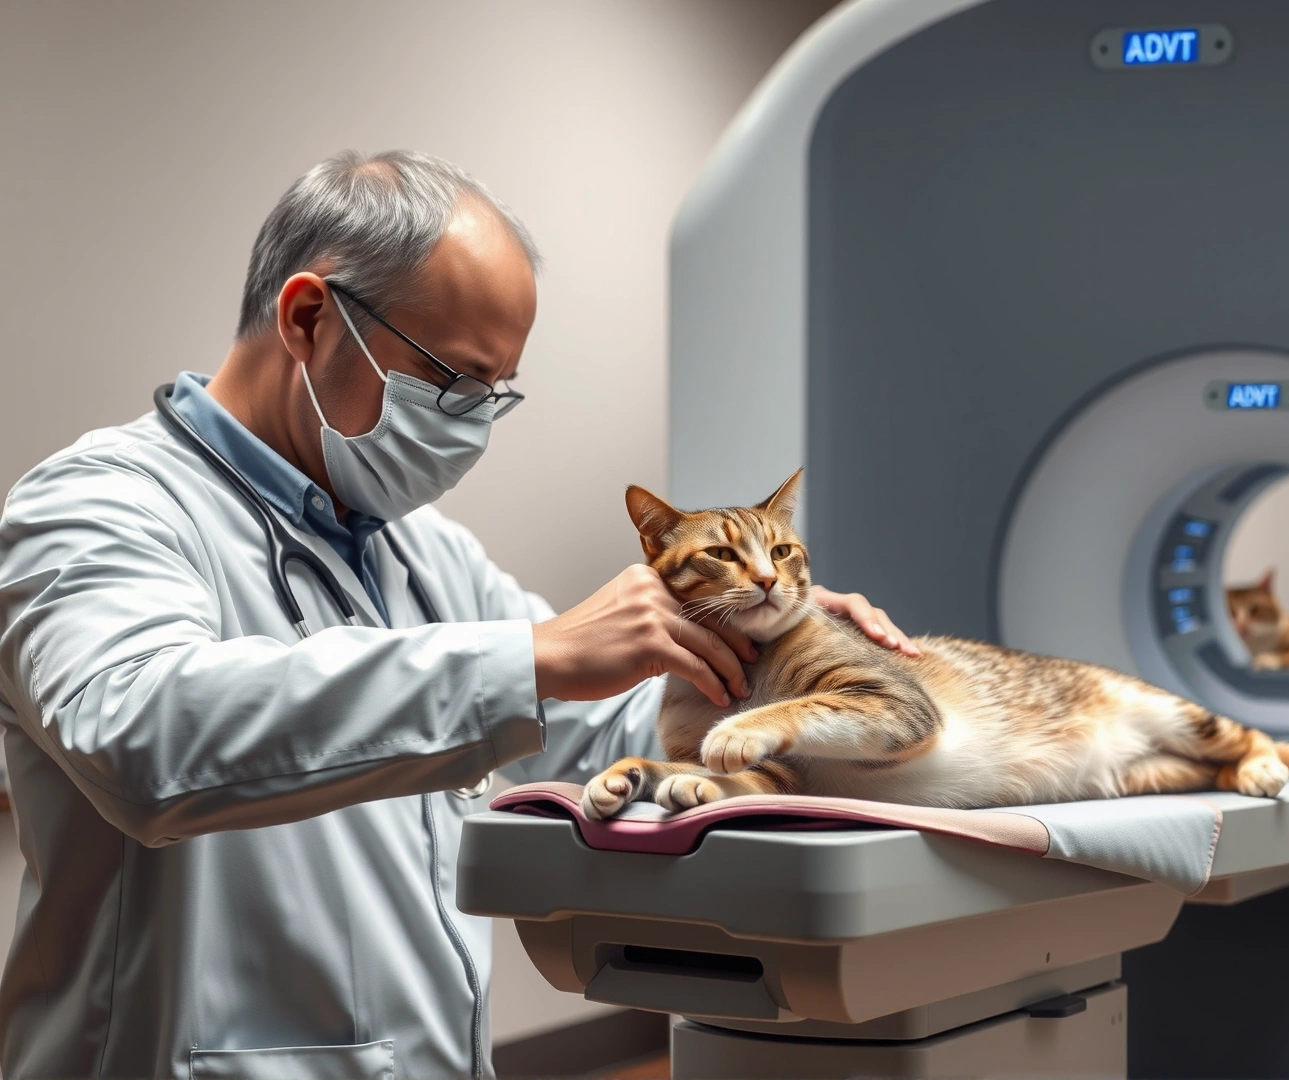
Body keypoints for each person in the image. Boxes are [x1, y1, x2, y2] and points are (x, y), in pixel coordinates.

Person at [0, 150, 913, 1079]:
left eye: (494, 397)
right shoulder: (96, 504)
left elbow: (592, 728)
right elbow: (141, 736)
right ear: (311, 319)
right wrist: (528, 659)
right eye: (453, 384)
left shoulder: (420, 549)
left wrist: (762, 670)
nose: (471, 426)